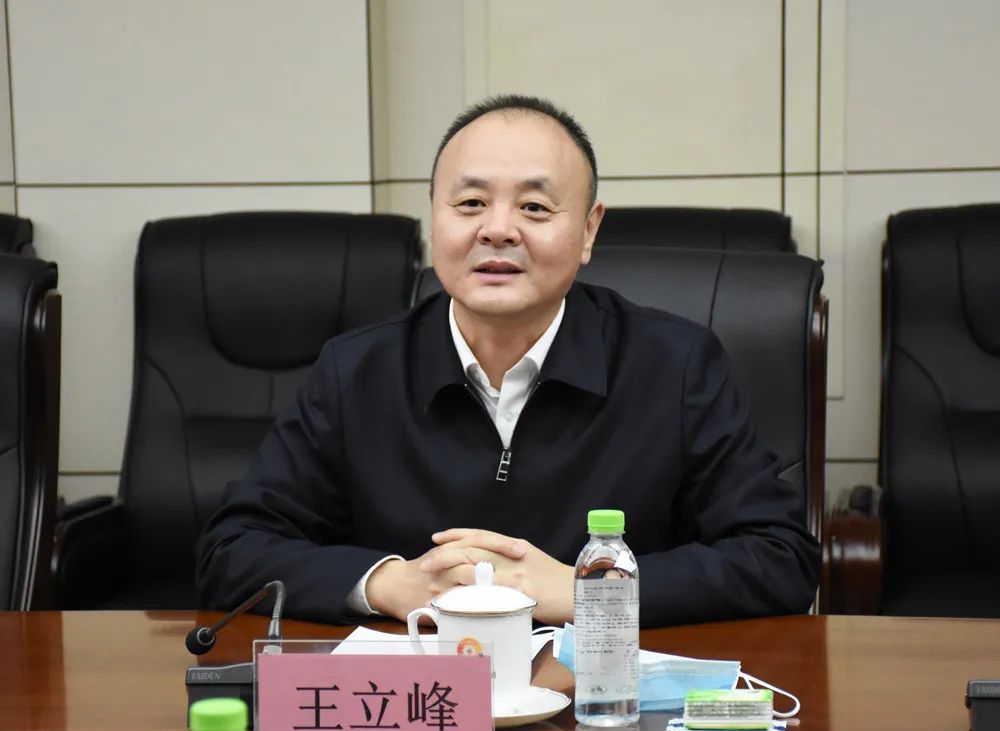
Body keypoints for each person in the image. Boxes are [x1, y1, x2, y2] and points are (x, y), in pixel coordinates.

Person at [196, 95, 821, 627]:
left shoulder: (674, 364)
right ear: (434, 218)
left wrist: (586, 592)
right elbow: (232, 550)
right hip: (423, 690)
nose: (497, 230)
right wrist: (391, 584)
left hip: (601, 694)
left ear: (588, 231)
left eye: (535, 208)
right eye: (470, 203)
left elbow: (780, 556)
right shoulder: (356, 371)